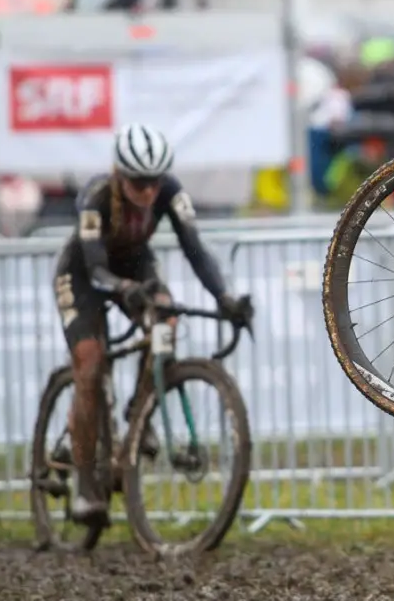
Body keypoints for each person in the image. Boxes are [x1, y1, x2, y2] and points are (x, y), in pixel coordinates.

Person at [51, 123, 247, 528]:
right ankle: (87, 485)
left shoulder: (169, 191)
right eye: (139, 182)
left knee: (167, 319)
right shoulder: (96, 195)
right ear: (120, 174)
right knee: (90, 363)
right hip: (86, 275)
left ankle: (139, 415)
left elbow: (196, 250)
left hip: (135, 266)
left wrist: (224, 297)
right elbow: (94, 265)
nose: (148, 192)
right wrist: (122, 289)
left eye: (154, 181)